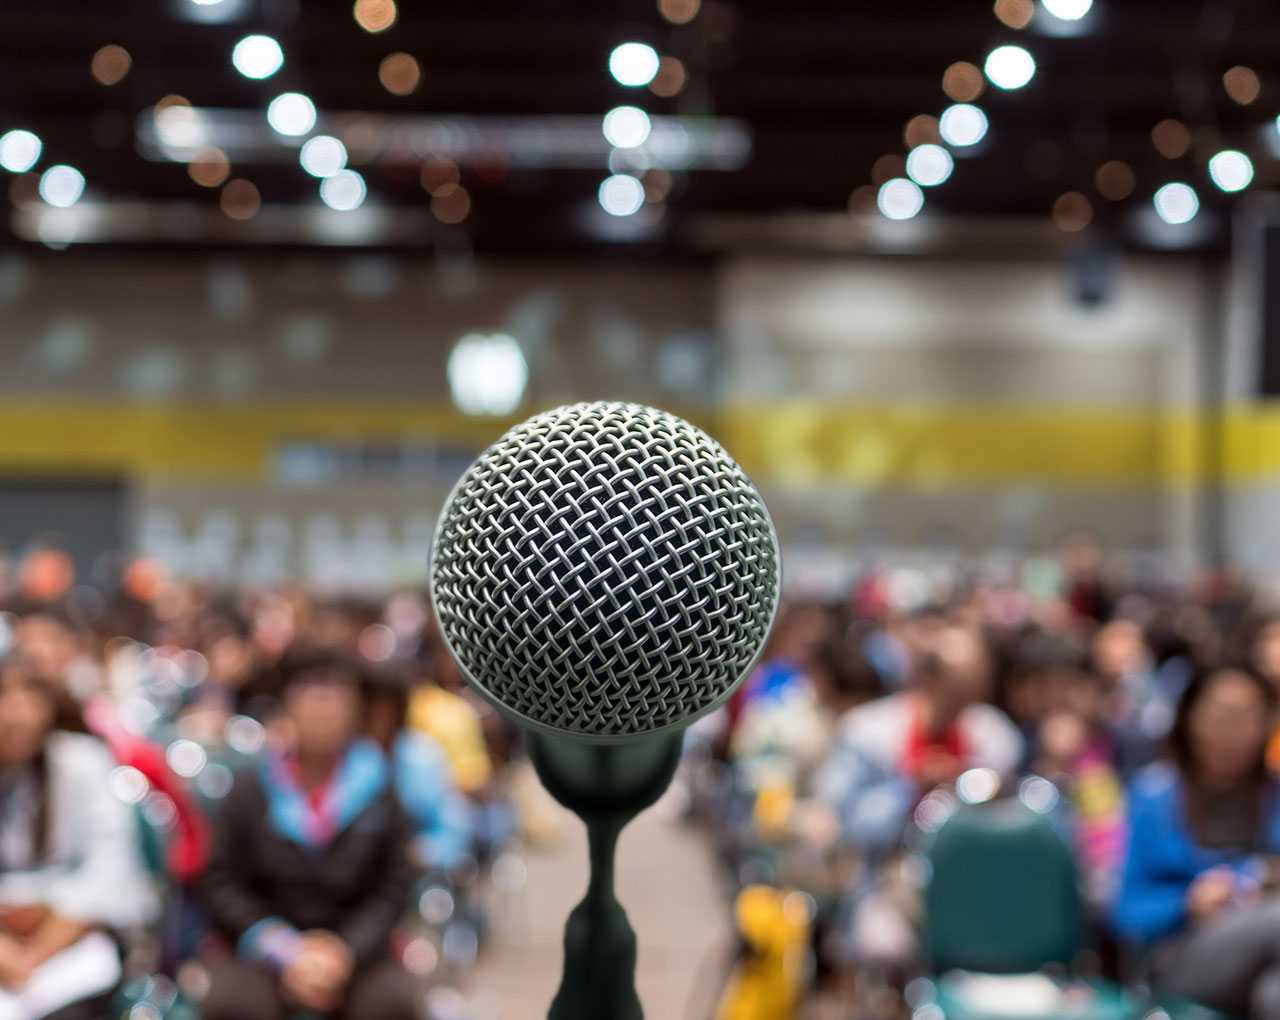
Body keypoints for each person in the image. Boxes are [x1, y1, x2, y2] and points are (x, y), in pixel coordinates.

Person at [197, 647, 420, 1020]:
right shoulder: (250, 789)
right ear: (286, 707)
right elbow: (221, 881)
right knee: (233, 1004)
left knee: (390, 1005)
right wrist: (284, 949)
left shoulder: (380, 788)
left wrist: (343, 951)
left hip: (355, 949)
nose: (323, 709)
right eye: (310, 695)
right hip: (265, 946)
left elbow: (393, 887)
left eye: (335, 697)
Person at [1111, 665, 1280, 1018]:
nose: (1232, 733)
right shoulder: (1153, 795)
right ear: (1191, 719)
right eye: (1221, 716)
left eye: (1246, 718)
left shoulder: (1274, 795)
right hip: (1180, 956)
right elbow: (1127, 912)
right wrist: (1186, 902)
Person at [0, 653, 158, 1020]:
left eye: (28, 698)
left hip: (70, 934)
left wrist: (46, 944)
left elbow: (112, 863)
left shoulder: (82, 761)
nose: (15, 715)